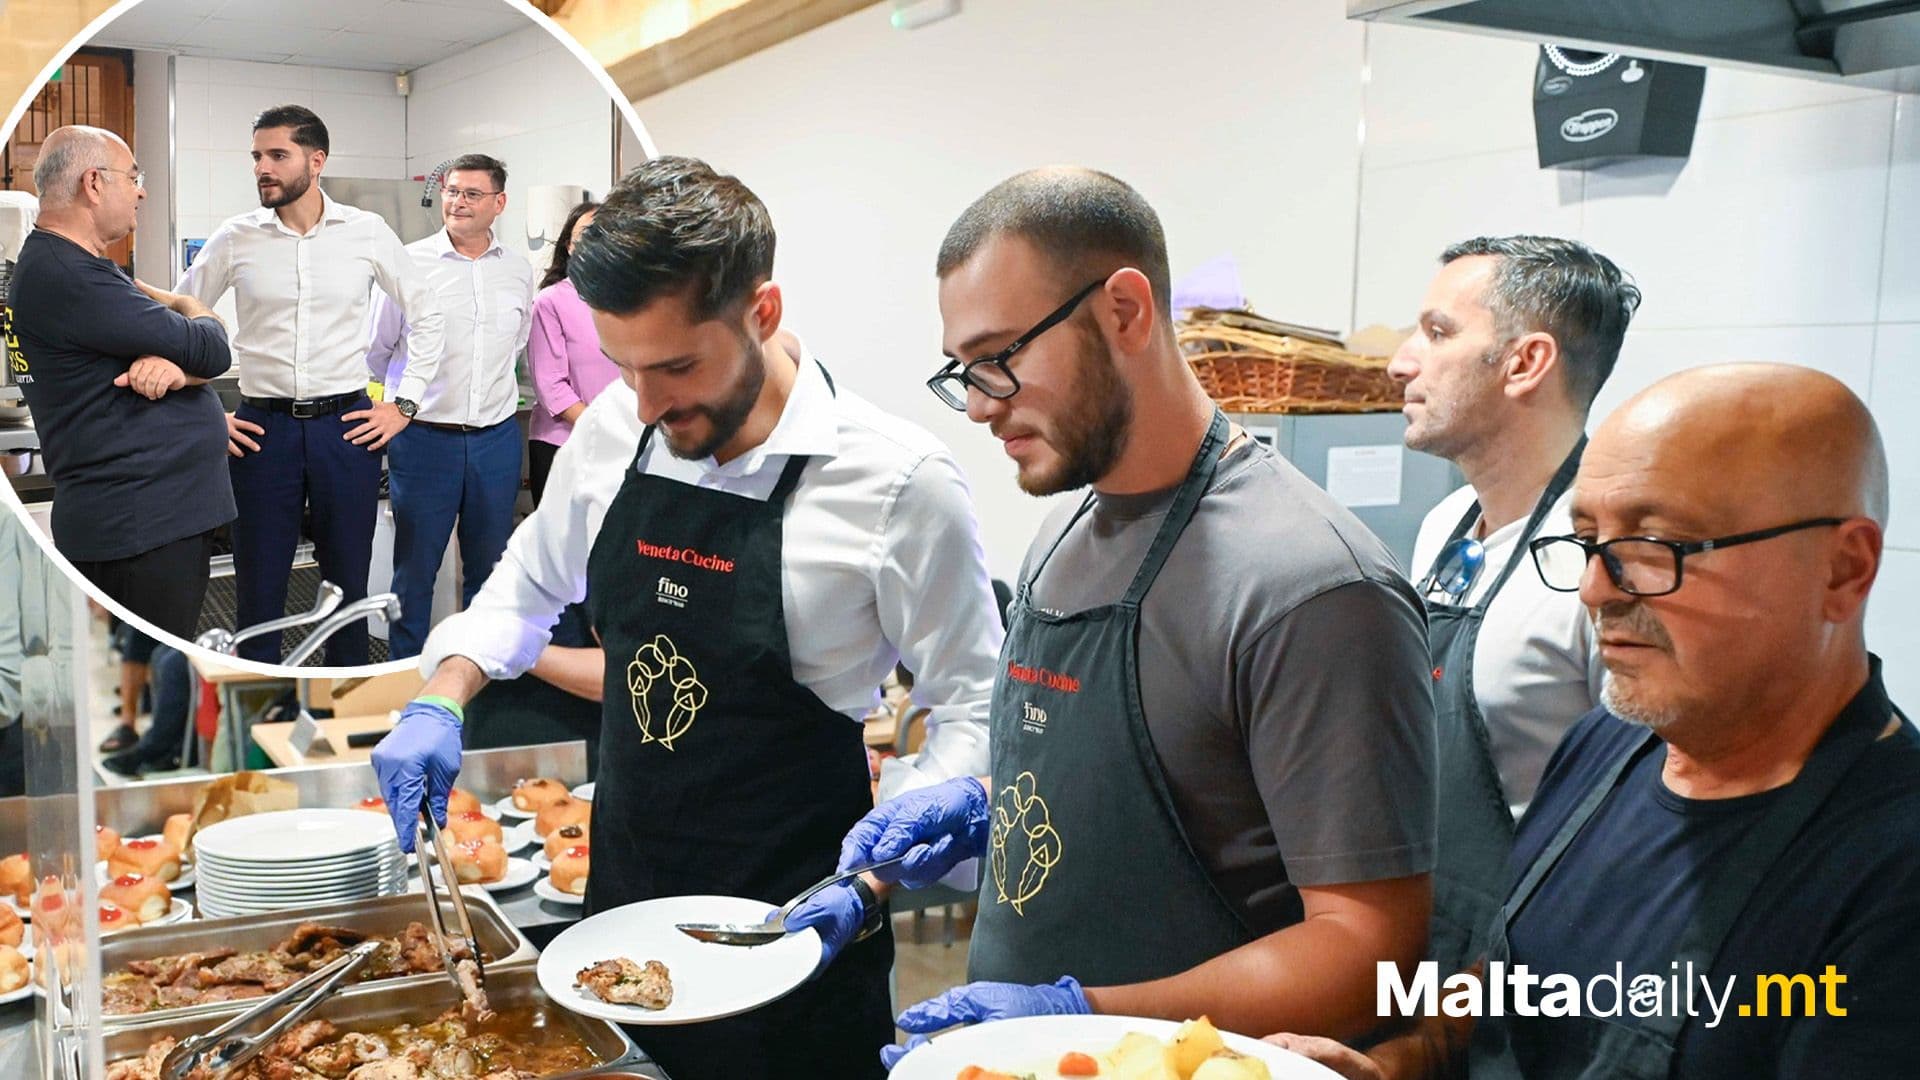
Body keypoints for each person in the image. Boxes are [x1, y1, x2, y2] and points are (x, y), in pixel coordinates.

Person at [370, 156, 1005, 1079]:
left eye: (675, 366)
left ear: (763, 312)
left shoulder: (897, 484)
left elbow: (976, 706)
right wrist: (445, 693)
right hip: (622, 909)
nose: (647, 403)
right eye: (624, 365)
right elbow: (526, 585)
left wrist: (875, 877)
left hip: (800, 932)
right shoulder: (615, 427)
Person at [849, 167, 1437, 1065]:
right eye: (962, 370)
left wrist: (1080, 1012)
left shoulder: (1310, 585)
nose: (978, 404)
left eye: (1000, 357)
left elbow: (1369, 954)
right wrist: (981, 808)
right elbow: (1119, 788)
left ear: (1125, 310)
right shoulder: (1062, 533)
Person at [1272, 363, 1920, 1079]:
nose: (1594, 589)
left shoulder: (1892, 872)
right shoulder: (1604, 746)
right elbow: (1515, 983)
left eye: (1655, 546)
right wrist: (1400, 1061)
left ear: (1842, 570)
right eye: (1587, 542)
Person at [1389, 235, 1639, 974]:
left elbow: (1629, 833)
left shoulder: (1603, 561)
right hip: (1422, 946)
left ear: (1525, 363)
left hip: (1535, 976)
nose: (1400, 362)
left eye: (1438, 333)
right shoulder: (1444, 525)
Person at [180, 105, 445, 666]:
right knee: (259, 584)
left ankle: (345, 691)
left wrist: (404, 404)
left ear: (316, 160)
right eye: (257, 156)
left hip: (345, 429)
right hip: (261, 431)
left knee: (347, 586)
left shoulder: (366, 231)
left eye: (278, 155)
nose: (262, 168)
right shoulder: (236, 237)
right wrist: (205, 414)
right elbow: (180, 324)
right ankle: (260, 700)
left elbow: (427, 314)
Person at [5, 125, 234, 639]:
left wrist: (179, 371)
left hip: (148, 522)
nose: (141, 191)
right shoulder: (70, 277)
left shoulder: (70, 267)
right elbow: (215, 348)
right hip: (137, 530)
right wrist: (185, 302)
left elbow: (195, 357)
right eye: (133, 177)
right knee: (144, 669)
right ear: (93, 183)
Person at [365, 153, 535, 659]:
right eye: (452, 191)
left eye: (472, 194)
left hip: (496, 440)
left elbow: (516, 344)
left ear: (499, 203)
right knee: (415, 570)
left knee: (491, 568)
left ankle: (478, 671)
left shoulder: (518, 270)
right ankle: (402, 673)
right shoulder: (408, 264)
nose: (458, 202)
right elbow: (377, 351)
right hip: (425, 440)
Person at [528, 198, 615, 505]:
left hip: (622, 444)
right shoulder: (551, 302)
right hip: (564, 444)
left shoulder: (631, 301)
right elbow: (551, 386)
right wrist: (604, 429)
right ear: (569, 246)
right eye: (587, 234)